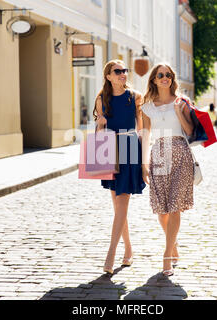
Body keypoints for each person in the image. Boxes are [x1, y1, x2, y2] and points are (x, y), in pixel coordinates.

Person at [140, 63, 194, 276]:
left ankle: (167, 257)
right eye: (160, 75)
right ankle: (173, 245)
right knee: (161, 209)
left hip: (180, 151)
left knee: (175, 206)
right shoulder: (147, 107)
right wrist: (143, 164)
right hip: (159, 153)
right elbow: (145, 136)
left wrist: (179, 112)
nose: (165, 78)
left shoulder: (182, 102)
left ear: (172, 79)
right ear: (154, 79)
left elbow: (189, 130)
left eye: (169, 75)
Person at [93, 60, 146, 275]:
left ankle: (111, 254)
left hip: (129, 148)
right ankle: (129, 250)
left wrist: (144, 163)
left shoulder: (135, 97)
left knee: (122, 202)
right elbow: (99, 133)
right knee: (118, 207)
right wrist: (100, 124)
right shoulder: (100, 99)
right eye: (118, 71)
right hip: (109, 150)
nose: (123, 74)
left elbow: (141, 131)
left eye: (125, 71)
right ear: (108, 76)